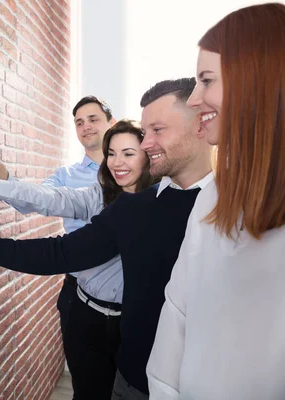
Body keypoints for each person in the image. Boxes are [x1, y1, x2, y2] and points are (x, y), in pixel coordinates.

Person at [0, 78, 213, 400]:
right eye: (114, 153)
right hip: (119, 351)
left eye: (133, 148)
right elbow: (50, 214)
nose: (138, 149)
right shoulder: (123, 204)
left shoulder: (236, 203)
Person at [0, 120, 157, 399]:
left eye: (128, 153)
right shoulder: (99, 195)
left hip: (133, 324)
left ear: (148, 155)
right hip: (88, 314)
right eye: (112, 153)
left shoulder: (161, 204)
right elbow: (47, 197)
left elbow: (60, 254)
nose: (117, 162)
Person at [146, 4, 285, 399]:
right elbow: (177, 316)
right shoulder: (213, 197)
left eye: (206, 80)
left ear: (259, 78)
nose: (194, 99)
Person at [0, 96, 117, 399]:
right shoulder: (68, 177)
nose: (85, 126)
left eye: (93, 119)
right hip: (79, 292)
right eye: (79, 122)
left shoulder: (135, 174)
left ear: (111, 123)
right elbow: (36, 197)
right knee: (86, 387)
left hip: (129, 304)